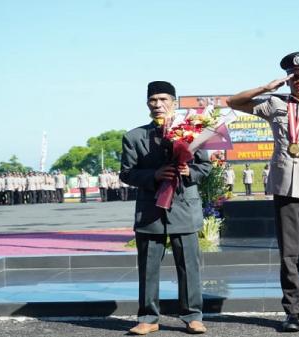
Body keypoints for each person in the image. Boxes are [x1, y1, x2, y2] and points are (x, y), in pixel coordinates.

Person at [227, 51, 299, 332]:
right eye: (295, 77)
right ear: (288, 79)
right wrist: (266, 87)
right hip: (284, 185)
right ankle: (292, 312)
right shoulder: (273, 105)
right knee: (288, 253)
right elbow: (233, 102)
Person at [120, 81, 210, 335]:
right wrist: (155, 174)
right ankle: (148, 317)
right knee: (148, 267)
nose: (158, 105)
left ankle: (193, 316)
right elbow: (127, 174)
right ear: (147, 103)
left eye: (163, 100)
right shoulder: (134, 136)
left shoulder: (193, 132)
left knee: (189, 265)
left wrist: (188, 171)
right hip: (151, 210)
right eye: (153, 100)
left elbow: (205, 168)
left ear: (174, 102)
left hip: (184, 207)